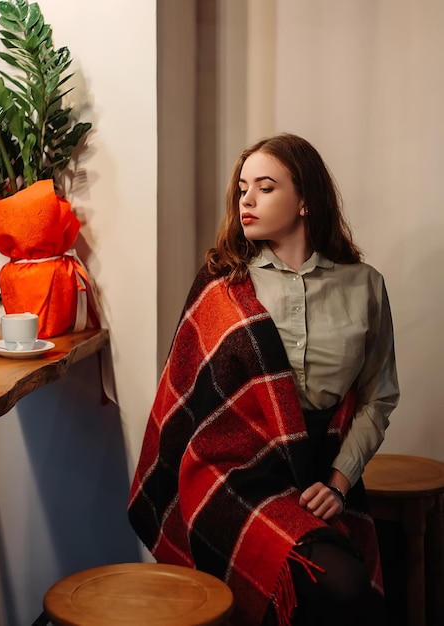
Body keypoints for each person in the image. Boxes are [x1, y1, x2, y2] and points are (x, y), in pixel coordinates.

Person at [127, 133, 399, 626]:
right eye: (242, 188)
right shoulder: (224, 285)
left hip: (320, 464)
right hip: (234, 469)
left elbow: (377, 398)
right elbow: (186, 398)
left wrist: (339, 481)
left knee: (347, 586)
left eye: (266, 187)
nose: (246, 200)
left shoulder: (365, 286)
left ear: (305, 201)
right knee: (330, 581)